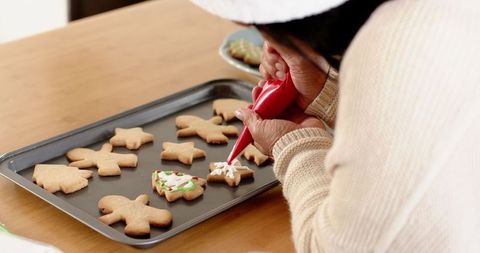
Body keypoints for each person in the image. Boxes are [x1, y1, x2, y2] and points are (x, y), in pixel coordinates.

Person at [192, 0, 480, 252]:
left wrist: (296, 147)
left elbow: (344, 247)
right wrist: (329, 94)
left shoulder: (395, 48)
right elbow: (425, 134)